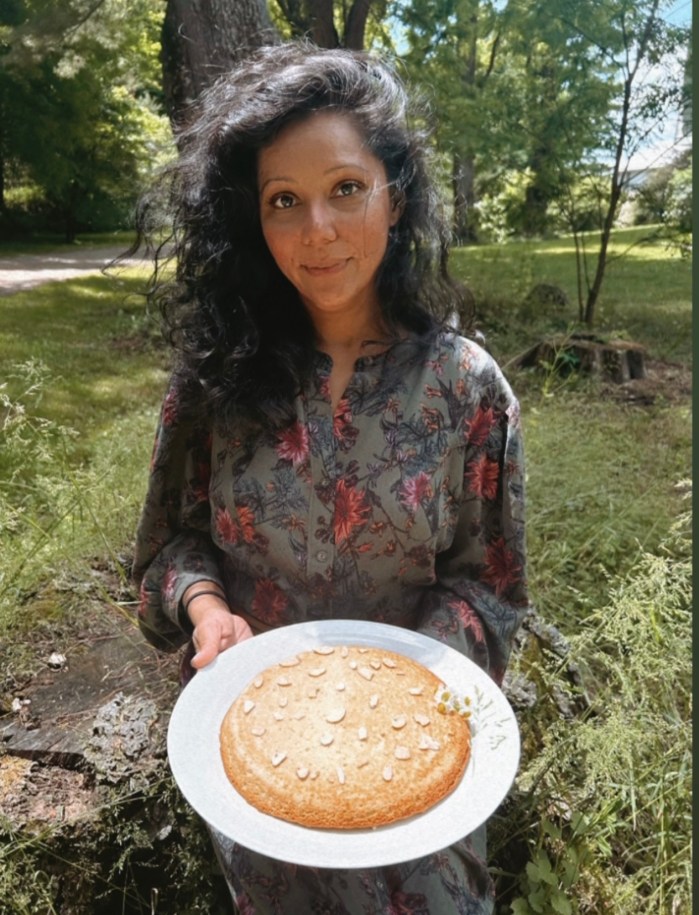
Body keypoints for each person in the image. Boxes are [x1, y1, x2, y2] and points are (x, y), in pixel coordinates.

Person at [132, 40, 529, 915]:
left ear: (395, 191)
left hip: (418, 789)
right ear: (253, 220)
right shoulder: (214, 384)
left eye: (346, 187)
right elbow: (167, 551)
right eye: (285, 201)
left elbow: (491, 591)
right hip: (261, 784)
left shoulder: (467, 388)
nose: (319, 230)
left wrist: (411, 682)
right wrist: (206, 609)